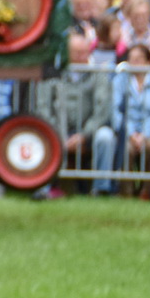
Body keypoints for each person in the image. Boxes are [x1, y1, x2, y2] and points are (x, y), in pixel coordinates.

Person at [37, 31, 117, 195]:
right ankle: (44, 187)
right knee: (40, 134)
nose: (83, 56)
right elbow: (43, 106)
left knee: (106, 137)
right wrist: (58, 133)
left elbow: (102, 109)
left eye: (85, 52)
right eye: (77, 53)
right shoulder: (54, 72)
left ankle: (101, 189)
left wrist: (83, 134)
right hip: (57, 130)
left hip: (88, 132)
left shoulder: (98, 75)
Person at [112, 42, 150, 186]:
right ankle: (126, 192)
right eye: (131, 59)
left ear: (149, 62)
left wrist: (144, 135)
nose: (134, 63)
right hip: (128, 130)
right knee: (125, 147)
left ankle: (148, 191)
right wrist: (132, 134)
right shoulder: (120, 81)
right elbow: (117, 111)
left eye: (139, 59)